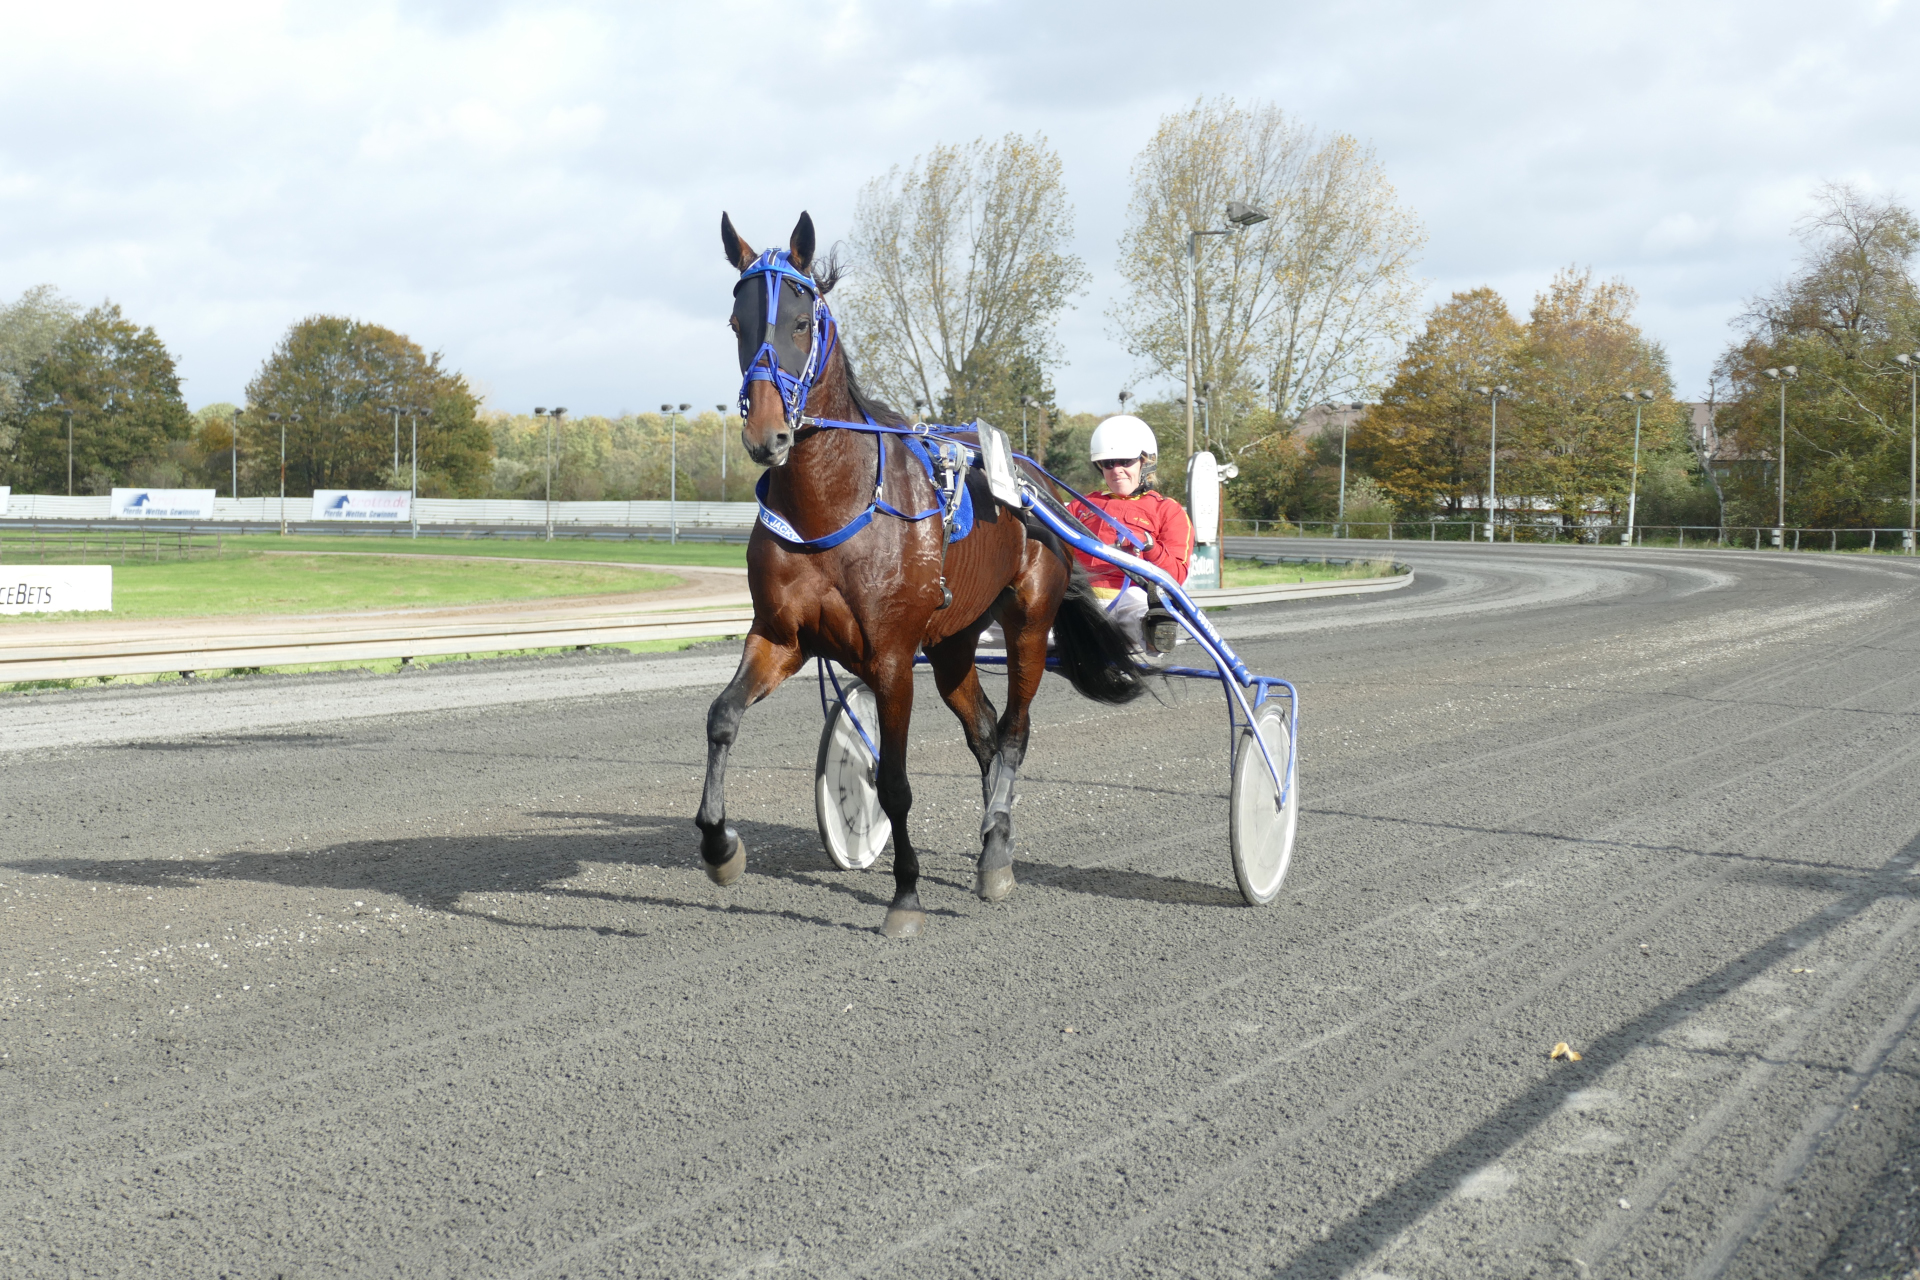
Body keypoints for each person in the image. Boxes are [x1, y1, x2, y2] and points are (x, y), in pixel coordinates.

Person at [1067, 414, 1193, 653]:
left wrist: (1150, 547)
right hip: (1079, 599)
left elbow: (1176, 575)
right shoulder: (1080, 506)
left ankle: (1155, 630)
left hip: (1130, 596)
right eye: (1108, 463)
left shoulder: (1167, 510)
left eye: (1125, 461)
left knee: (1136, 604)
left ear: (1146, 463)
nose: (1117, 470)